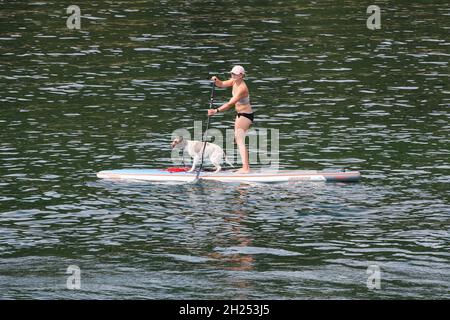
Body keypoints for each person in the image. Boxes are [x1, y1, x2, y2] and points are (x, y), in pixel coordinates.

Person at [208, 65, 254, 174]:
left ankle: (246, 168)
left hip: (245, 116)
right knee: (237, 140)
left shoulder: (242, 88)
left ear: (242, 75)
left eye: (235, 74)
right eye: (232, 73)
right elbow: (222, 84)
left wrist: (216, 111)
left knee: (240, 141)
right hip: (241, 115)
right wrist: (216, 80)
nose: (232, 75)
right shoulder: (234, 81)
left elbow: (230, 104)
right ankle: (245, 167)